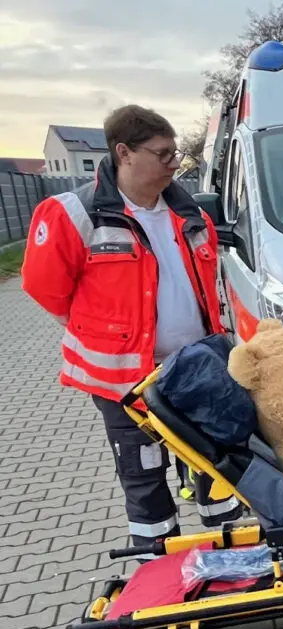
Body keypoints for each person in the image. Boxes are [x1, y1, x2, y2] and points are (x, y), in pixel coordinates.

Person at [22, 104, 239, 547]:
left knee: (217, 459)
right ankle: (155, 568)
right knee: (144, 474)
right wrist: (95, 327)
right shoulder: (72, 213)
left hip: (195, 366)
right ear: (124, 152)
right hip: (122, 376)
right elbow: (45, 289)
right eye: (162, 154)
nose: (173, 164)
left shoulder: (189, 213)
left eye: (175, 154)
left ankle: (234, 552)